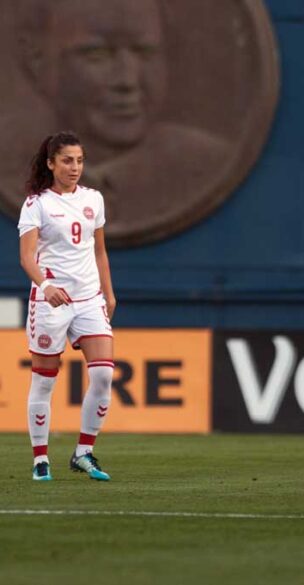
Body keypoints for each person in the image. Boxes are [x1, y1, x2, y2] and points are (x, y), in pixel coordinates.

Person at [7, 0, 228, 240]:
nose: (127, 80)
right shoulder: (8, 157)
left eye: (145, 52)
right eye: (97, 54)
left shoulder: (200, 163)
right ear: (36, 60)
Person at [18, 131, 115, 482]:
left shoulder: (94, 199)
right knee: (44, 382)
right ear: (50, 163)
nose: (75, 167)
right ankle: (40, 458)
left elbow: (99, 250)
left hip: (89, 298)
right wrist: (46, 285)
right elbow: (27, 257)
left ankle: (84, 453)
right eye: (67, 160)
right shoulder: (37, 204)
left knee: (103, 374)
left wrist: (109, 292)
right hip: (50, 302)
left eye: (79, 160)